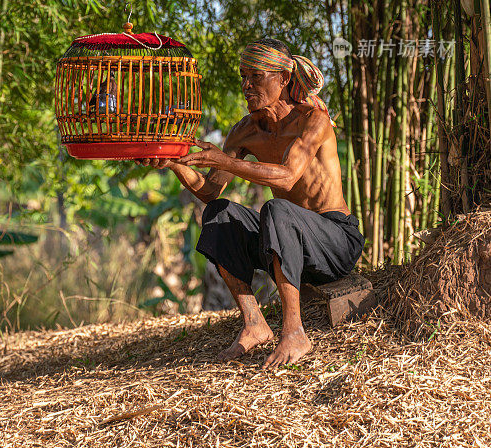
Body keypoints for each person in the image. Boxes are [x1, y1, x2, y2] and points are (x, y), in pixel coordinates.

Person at [140, 38, 364, 370]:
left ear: (283, 79)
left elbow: (287, 177)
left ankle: (294, 333)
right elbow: (209, 191)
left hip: (335, 242)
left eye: (255, 77)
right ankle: (254, 323)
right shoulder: (245, 131)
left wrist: (225, 161)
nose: (246, 86)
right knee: (219, 214)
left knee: (276, 209)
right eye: (243, 77)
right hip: (288, 241)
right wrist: (174, 162)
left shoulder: (312, 119)